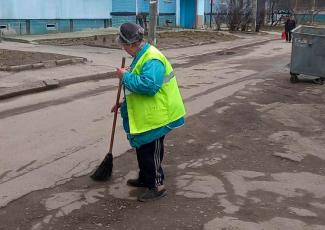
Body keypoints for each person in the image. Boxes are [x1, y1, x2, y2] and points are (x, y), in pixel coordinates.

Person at [113, 22, 186, 202]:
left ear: (131, 44)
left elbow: (149, 86)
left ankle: (157, 185)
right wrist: (123, 104)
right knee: (143, 149)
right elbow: (138, 87)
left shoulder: (152, 58)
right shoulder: (141, 55)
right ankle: (146, 178)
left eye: (123, 45)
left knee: (150, 151)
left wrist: (125, 76)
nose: (123, 49)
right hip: (149, 115)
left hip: (159, 116)